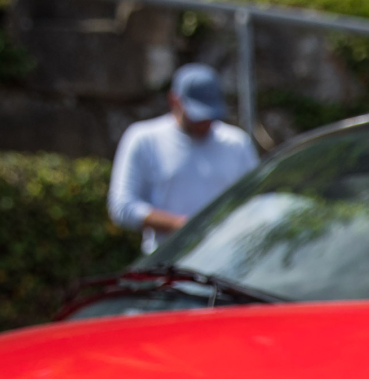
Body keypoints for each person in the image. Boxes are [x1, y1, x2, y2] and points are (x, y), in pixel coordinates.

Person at [108, 63, 259, 254]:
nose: (205, 122)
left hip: (227, 263)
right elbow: (122, 206)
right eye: (198, 114)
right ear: (174, 101)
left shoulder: (237, 143)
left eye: (210, 114)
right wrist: (182, 227)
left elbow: (255, 202)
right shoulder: (145, 139)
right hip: (168, 268)